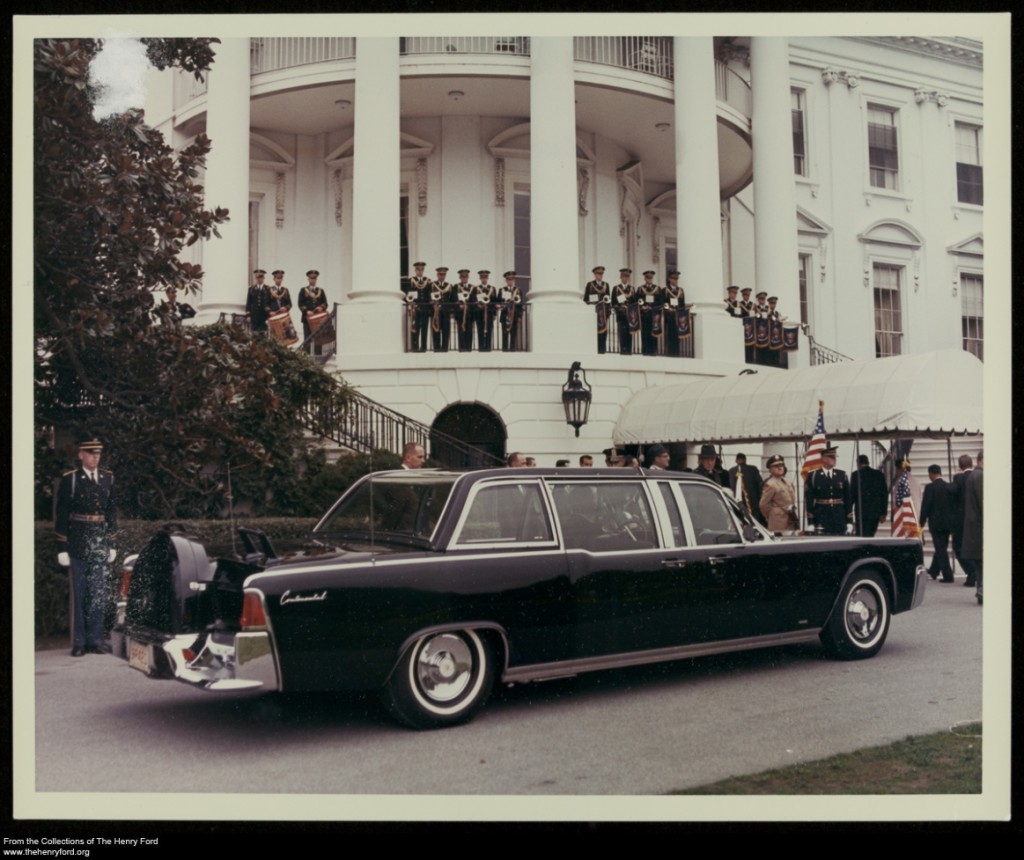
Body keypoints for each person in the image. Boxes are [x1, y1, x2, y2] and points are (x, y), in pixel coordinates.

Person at [55, 438, 117, 657]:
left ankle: (96, 640)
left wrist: (112, 543)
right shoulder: (70, 480)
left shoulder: (107, 478)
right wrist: (62, 546)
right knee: (80, 593)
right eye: (91, 453)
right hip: (78, 541)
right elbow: (62, 514)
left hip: (99, 540)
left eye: (98, 453)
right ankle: (79, 643)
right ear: (80, 454)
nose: (95, 457)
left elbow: (110, 512)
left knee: (97, 592)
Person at [919, 464, 955, 582]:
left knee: (940, 549)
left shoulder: (930, 487)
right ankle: (934, 570)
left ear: (931, 474)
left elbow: (926, 506)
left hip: (936, 523)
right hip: (947, 523)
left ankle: (948, 575)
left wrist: (921, 522)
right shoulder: (948, 486)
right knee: (941, 547)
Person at [804, 445, 851, 535]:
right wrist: (810, 522)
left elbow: (848, 499)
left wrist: (849, 521)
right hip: (821, 516)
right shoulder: (813, 476)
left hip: (839, 517)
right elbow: (809, 501)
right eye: (831, 457)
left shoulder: (842, 475)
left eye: (834, 457)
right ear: (823, 459)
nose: (834, 459)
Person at [949, 454, 976, 586]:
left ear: (960, 466)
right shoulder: (978, 475)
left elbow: (952, 491)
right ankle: (976, 573)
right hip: (976, 518)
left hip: (961, 520)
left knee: (958, 547)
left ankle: (971, 572)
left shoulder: (958, 478)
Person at [961, 450, 983, 604]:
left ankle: (981, 590)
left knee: (980, 565)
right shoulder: (980, 476)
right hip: (979, 527)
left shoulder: (973, 476)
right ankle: (982, 591)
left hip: (973, 526)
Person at [850, 454, 888, 537]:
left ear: (858, 464)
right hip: (875, 511)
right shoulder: (878, 474)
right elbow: (884, 494)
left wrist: (848, 511)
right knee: (871, 534)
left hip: (861, 511)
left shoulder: (855, 475)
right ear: (868, 462)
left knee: (861, 535)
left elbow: (852, 495)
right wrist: (883, 513)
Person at [759, 454, 798, 532]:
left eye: (781, 465)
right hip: (778, 521)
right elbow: (763, 505)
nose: (780, 468)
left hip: (790, 518)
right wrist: (773, 514)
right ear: (770, 469)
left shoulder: (787, 481)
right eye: (776, 466)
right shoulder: (770, 484)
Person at [403, 261, 432, 352]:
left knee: (424, 329)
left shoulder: (428, 281)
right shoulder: (411, 281)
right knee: (415, 329)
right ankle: (415, 348)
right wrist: (411, 303)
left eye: (421, 269)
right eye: (418, 269)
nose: (420, 271)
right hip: (415, 309)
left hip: (425, 309)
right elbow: (407, 295)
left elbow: (430, 295)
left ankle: (423, 348)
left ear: (423, 270)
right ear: (415, 270)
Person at [298, 269, 328, 354]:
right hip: (307, 319)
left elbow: (325, 303)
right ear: (308, 279)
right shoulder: (303, 290)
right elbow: (300, 303)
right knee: (307, 339)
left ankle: (318, 359)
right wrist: (306, 311)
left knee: (319, 339)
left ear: (316, 279)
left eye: (314, 278)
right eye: (311, 278)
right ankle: (306, 359)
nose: (313, 280)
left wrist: (321, 307)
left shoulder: (321, 291)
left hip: (318, 319)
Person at [729, 452, 764, 525]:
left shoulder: (732, 471)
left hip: (737, 503)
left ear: (736, 460)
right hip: (753, 503)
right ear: (745, 460)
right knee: (755, 523)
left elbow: (731, 487)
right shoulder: (753, 469)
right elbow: (760, 485)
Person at [583, 265, 611, 353]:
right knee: (593, 331)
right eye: (598, 274)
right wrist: (591, 302)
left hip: (603, 312)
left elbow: (608, 299)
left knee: (603, 332)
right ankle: (593, 349)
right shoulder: (590, 284)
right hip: (594, 312)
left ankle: (602, 349)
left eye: (601, 274)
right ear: (595, 275)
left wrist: (608, 311)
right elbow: (585, 299)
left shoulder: (606, 285)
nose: (600, 276)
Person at [637, 270, 663, 356]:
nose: (649, 279)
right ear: (645, 278)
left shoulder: (657, 289)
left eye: (651, 278)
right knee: (645, 333)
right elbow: (637, 301)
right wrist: (642, 306)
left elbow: (660, 302)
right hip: (644, 315)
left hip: (654, 315)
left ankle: (653, 351)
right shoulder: (640, 289)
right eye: (648, 278)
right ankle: (645, 351)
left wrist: (652, 307)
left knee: (654, 333)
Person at [662, 271, 686, 357]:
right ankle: (670, 353)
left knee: (677, 336)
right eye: (673, 278)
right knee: (670, 335)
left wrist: (681, 312)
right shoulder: (665, 290)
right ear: (669, 279)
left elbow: (682, 304)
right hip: (669, 316)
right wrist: (668, 308)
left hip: (678, 317)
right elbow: (663, 303)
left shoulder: (681, 290)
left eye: (676, 279)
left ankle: (677, 353)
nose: (675, 281)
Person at [612, 269, 635, 354]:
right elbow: (613, 302)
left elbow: (634, 302)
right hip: (621, 315)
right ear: (621, 277)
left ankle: (629, 351)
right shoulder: (616, 288)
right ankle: (622, 351)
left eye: (627, 276)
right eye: (624, 276)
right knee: (622, 334)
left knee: (629, 335)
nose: (625, 278)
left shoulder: (632, 289)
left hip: (629, 316)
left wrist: (630, 308)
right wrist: (620, 307)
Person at [472, 270, 496, 352]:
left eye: (485, 277)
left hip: (489, 313)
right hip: (479, 313)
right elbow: (473, 300)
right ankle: (481, 348)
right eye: (482, 277)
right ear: (480, 278)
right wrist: (478, 305)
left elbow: (494, 302)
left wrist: (494, 314)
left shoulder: (492, 289)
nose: (484, 279)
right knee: (480, 330)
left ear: (487, 278)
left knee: (489, 329)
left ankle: (488, 348)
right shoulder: (476, 289)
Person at [499, 271, 522, 352]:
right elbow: (499, 302)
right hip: (505, 314)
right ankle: (505, 351)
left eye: (512, 279)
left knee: (513, 334)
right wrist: (502, 304)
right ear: (506, 280)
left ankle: (512, 351)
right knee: (504, 334)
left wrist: (519, 316)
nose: (510, 281)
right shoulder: (501, 290)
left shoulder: (518, 290)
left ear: (514, 280)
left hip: (514, 315)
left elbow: (520, 305)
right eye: (508, 279)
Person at [431, 267, 452, 352]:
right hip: (436, 312)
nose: (442, 276)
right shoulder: (433, 285)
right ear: (437, 275)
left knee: (446, 330)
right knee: (436, 330)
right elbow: (429, 297)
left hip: (446, 312)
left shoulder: (449, 285)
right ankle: (436, 349)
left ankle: (445, 349)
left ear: (445, 275)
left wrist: (451, 311)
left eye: (443, 274)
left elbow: (452, 299)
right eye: (440, 274)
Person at [453, 269, 475, 352]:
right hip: (460, 313)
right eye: (462, 276)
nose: (464, 278)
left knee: (469, 332)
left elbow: (474, 299)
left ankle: (468, 349)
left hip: (469, 314)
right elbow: (454, 298)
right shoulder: (456, 287)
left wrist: (468, 306)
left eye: (465, 276)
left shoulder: (472, 287)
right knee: (461, 332)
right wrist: (459, 305)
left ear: (468, 277)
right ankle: (462, 349)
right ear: (460, 277)